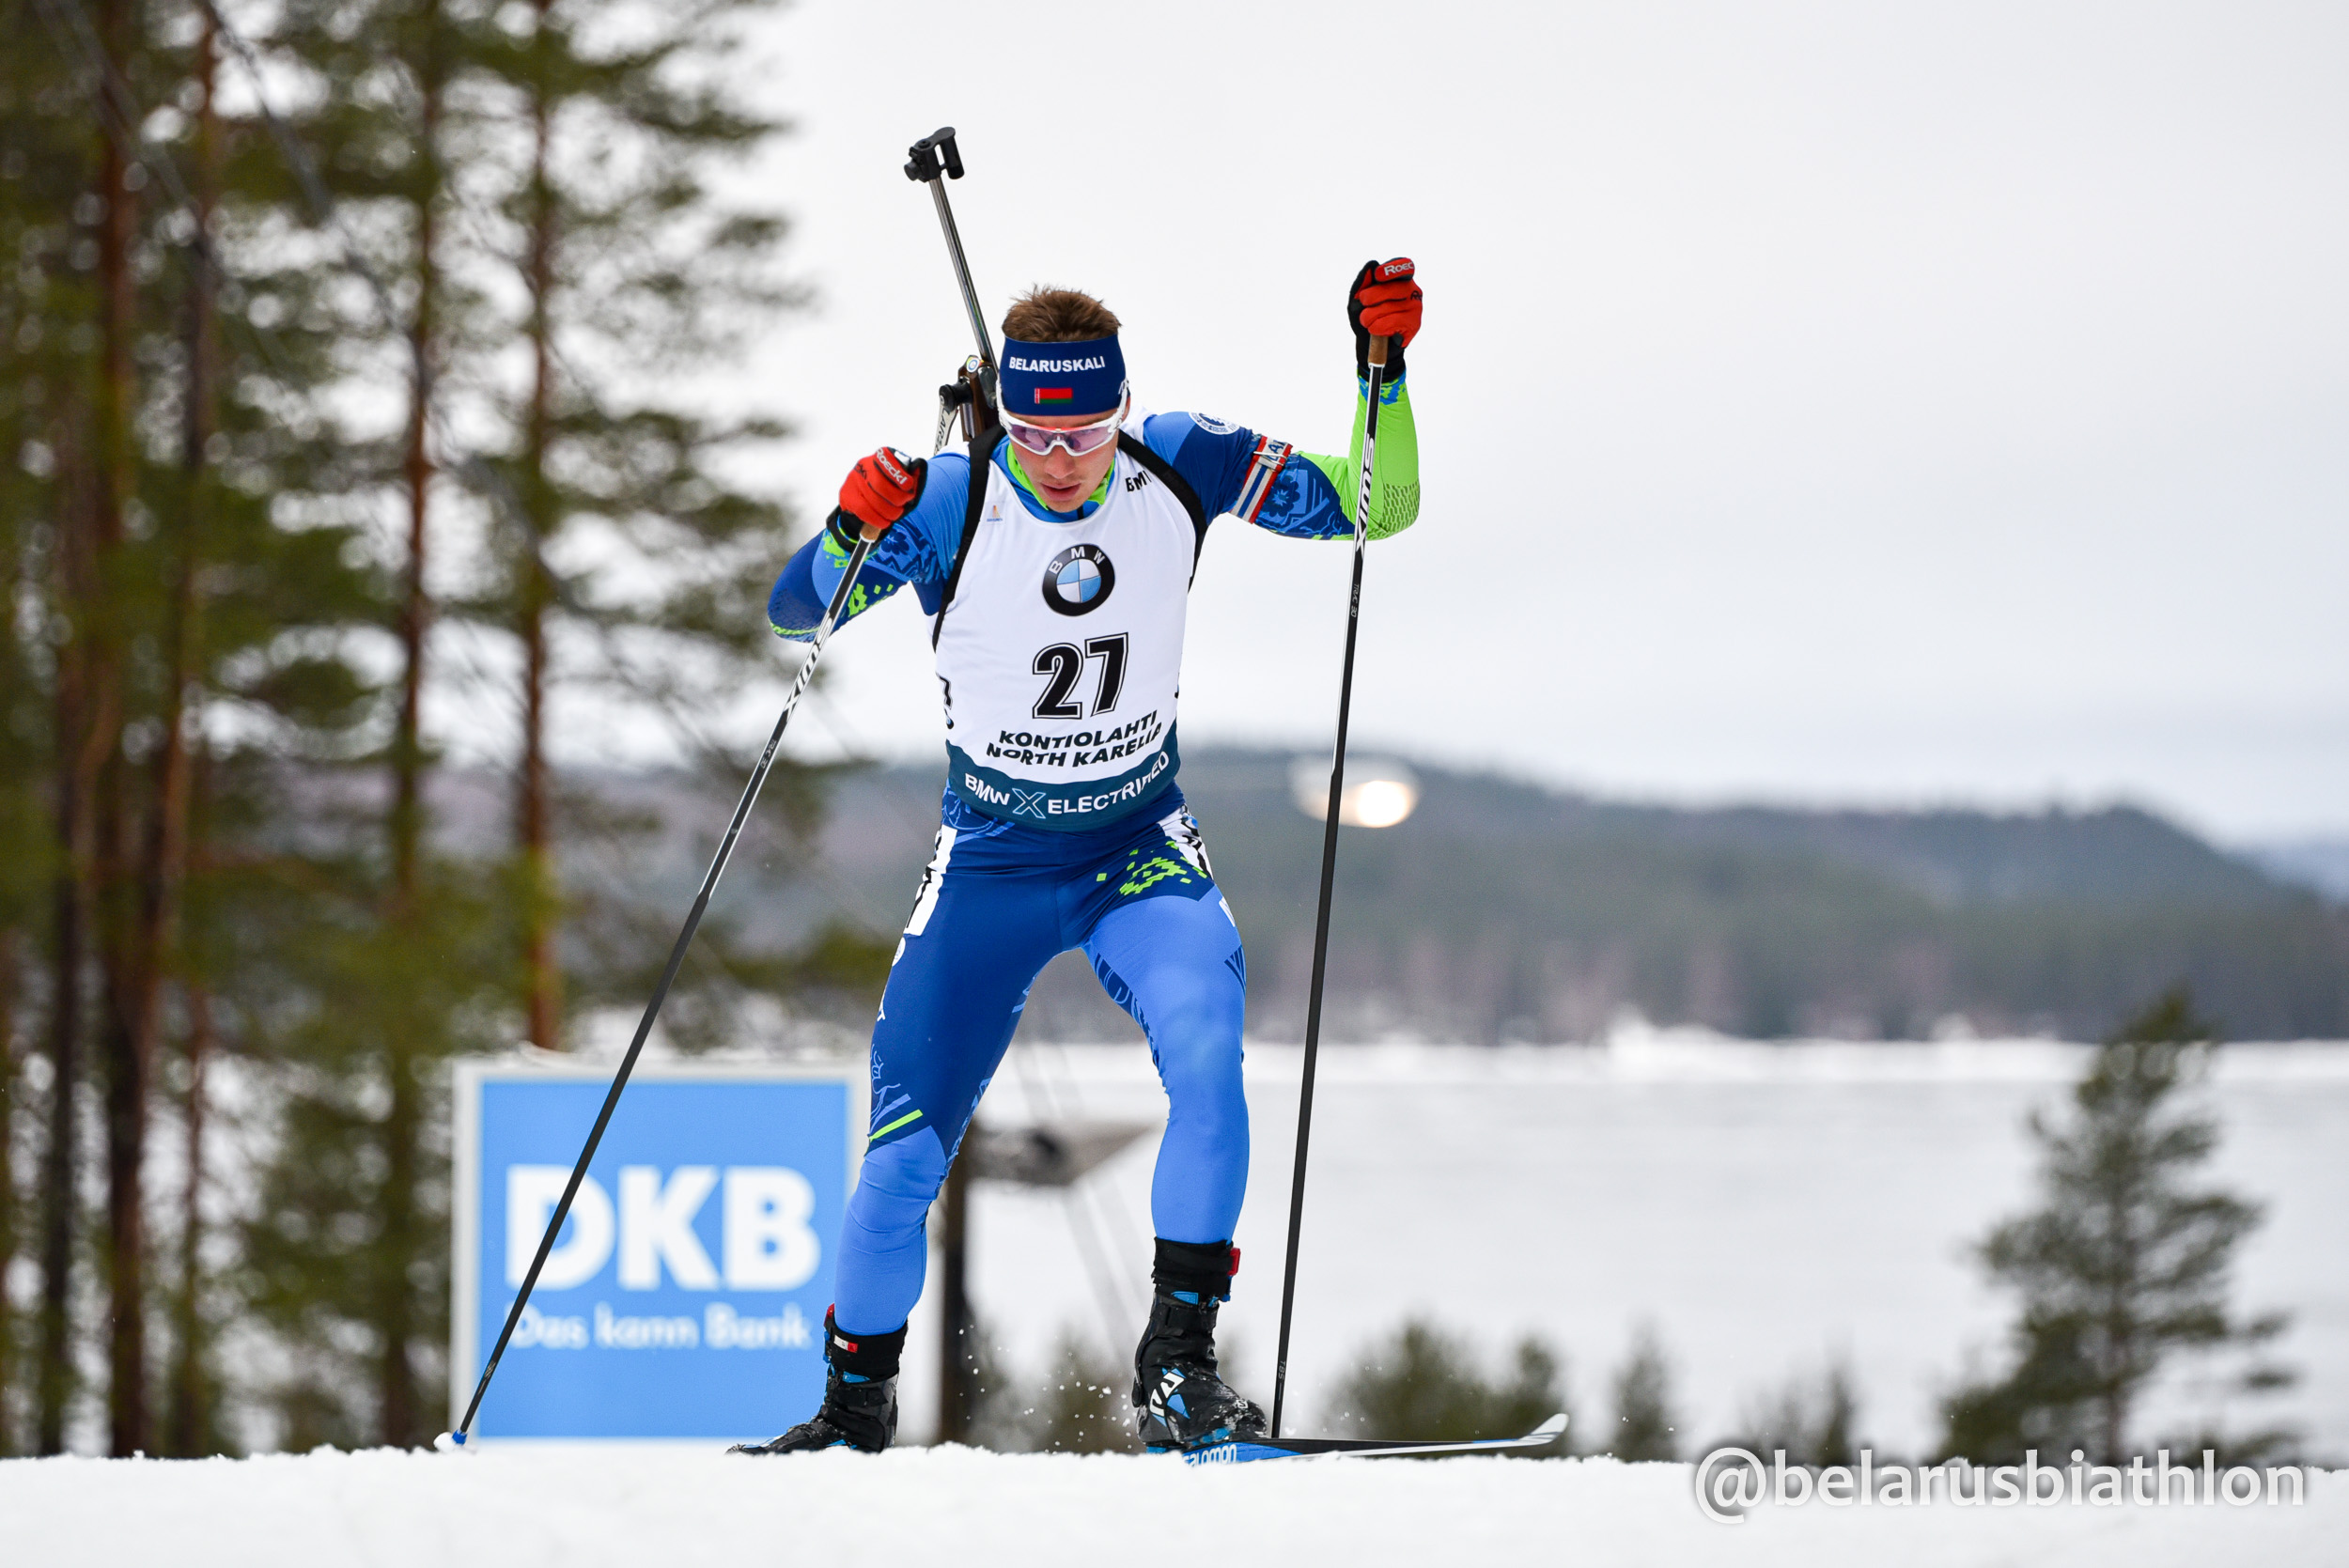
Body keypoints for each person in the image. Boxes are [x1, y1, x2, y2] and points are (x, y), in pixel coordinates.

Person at [738, 259, 1424, 1454]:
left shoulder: (1176, 461)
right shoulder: (950, 505)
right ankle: (852, 1412)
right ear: (1006, 417)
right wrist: (851, 524)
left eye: (1088, 431)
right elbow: (798, 613)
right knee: (901, 1156)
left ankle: (1180, 1371)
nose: (1064, 460)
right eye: (1039, 432)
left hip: (1135, 850)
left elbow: (1377, 504)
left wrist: (1384, 374)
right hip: (992, 865)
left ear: (1121, 409)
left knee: (1210, 1062)